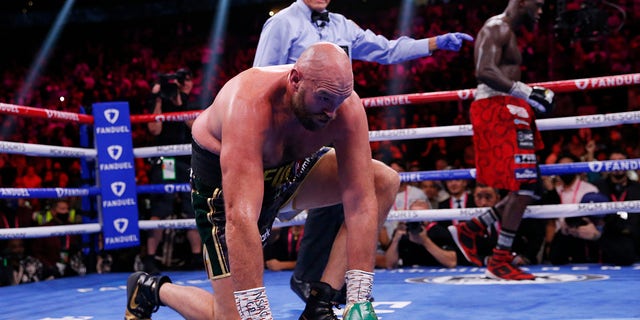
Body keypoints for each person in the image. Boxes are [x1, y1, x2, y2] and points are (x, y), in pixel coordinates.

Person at [125, 42, 400, 320]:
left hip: (290, 170)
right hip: (224, 185)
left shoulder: (344, 106)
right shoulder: (248, 104)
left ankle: (321, 303)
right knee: (232, 317)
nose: (331, 112)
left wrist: (359, 299)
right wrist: (256, 315)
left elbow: (361, 200)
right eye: (325, 98)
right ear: (295, 80)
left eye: (339, 100)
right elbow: (240, 218)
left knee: (383, 182)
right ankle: (150, 288)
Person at [253, 0, 473, 307]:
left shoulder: (343, 25)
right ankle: (298, 282)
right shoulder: (282, 23)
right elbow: (258, 80)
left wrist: (434, 43)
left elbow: (386, 50)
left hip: (330, 127)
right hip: (288, 137)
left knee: (360, 188)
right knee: (261, 219)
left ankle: (324, 288)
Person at [447, 0, 555, 280]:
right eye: (539, 3)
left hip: (510, 107)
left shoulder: (509, 31)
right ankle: (500, 259)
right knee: (524, 186)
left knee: (530, 186)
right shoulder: (495, 27)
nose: (541, 10)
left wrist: (526, 96)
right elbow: (484, 70)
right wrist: (525, 92)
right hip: (496, 108)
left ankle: (473, 228)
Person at [143, 67, 203, 273]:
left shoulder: (195, 103)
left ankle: (196, 256)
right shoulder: (160, 101)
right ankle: (150, 258)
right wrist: (158, 98)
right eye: (180, 80)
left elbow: (196, 127)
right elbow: (154, 129)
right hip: (167, 161)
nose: (183, 84)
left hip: (188, 160)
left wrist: (182, 103)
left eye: (186, 80)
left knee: (191, 207)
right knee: (161, 207)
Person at [385, 200, 458, 269]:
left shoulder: (439, 231)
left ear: (429, 217)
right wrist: (396, 240)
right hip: (408, 274)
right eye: (414, 215)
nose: (417, 220)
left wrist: (426, 241)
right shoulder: (402, 231)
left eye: (421, 215)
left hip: (436, 273)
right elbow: (390, 265)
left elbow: (451, 262)